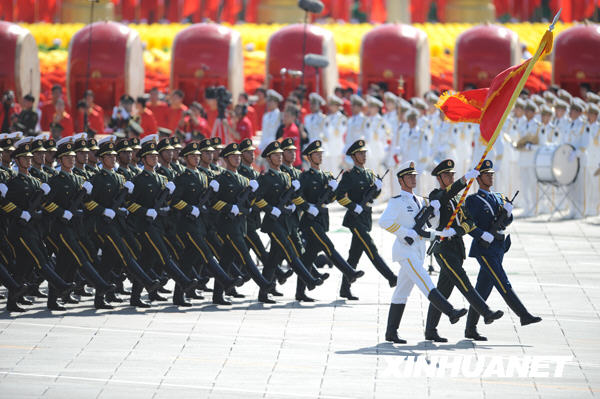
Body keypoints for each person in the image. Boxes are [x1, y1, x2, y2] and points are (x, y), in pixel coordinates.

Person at [379, 160, 467, 344]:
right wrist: (405, 233)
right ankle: (450, 312)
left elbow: (424, 229)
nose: (413, 179)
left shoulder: (420, 200)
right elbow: (384, 222)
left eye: (414, 176)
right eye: (409, 176)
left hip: (417, 250)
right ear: (401, 180)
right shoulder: (397, 201)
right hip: (405, 251)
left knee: (401, 293)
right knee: (426, 283)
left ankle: (391, 332)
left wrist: (439, 233)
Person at [424, 160, 504, 342]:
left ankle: (430, 330)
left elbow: (469, 223)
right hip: (443, 249)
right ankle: (486, 311)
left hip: (456, 248)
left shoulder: (458, 199)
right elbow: (442, 198)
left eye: (453, 175)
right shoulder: (436, 195)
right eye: (447, 175)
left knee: (443, 291)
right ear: (439, 178)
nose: (451, 178)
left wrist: (456, 230)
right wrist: (463, 180)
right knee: (463, 281)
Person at [464, 160, 542, 341]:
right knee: (502, 281)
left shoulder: (499, 197)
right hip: (484, 249)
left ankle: (470, 329)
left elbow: (507, 221)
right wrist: (482, 235)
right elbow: (468, 224)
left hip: (499, 247)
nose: (490, 176)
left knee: (482, 289)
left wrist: (507, 213)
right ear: (479, 178)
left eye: (491, 174)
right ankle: (523, 314)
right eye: (486, 174)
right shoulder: (473, 200)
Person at [253, 141, 323, 303]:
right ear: (269, 159)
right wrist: (271, 209)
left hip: (287, 222)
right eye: (276, 155)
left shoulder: (286, 176)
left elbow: (291, 196)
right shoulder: (266, 178)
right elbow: (256, 199)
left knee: (273, 259)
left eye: (280, 154)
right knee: (290, 251)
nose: (279, 157)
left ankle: (263, 293)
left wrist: (292, 204)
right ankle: (309, 279)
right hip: (272, 223)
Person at [210, 142, 274, 304]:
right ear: (225, 159)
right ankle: (264, 283)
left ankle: (217, 295)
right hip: (227, 226)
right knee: (245, 255)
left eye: (239, 156)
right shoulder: (220, 179)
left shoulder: (244, 180)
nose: (237, 159)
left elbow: (250, 205)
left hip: (240, 224)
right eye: (233, 156)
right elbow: (213, 203)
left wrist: (252, 194)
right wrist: (229, 207)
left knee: (225, 260)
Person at [335, 140, 396, 301]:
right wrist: (353, 206)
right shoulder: (349, 175)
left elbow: (373, 197)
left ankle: (344, 288)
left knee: (354, 255)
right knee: (371, 249)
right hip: (354, 219)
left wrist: (378, 188)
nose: (364, 155)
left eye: (364, 153)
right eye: (361, 153)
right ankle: (390, 277)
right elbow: (339, 196)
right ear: (354, 156)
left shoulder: (370, 173)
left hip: (365, 218)